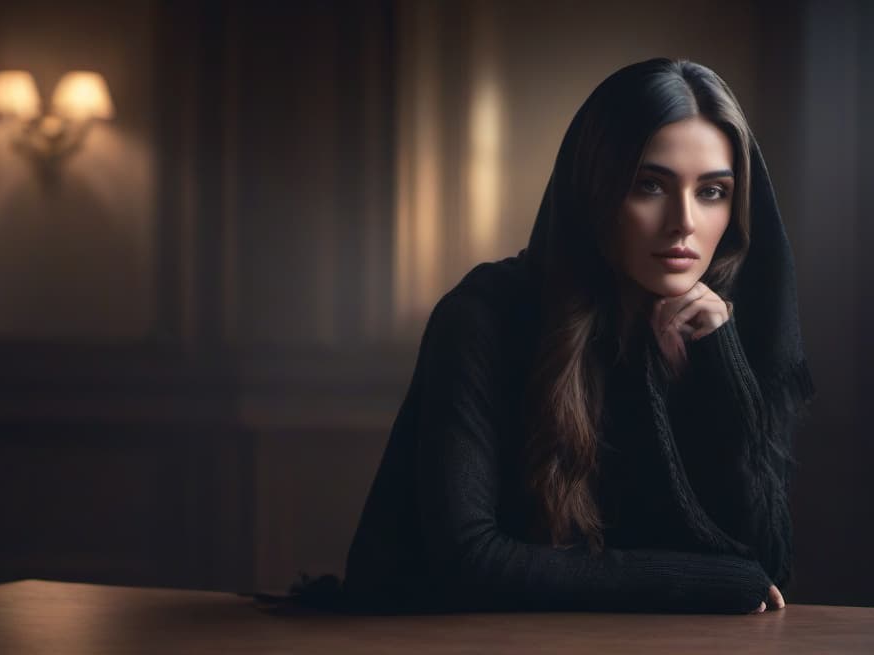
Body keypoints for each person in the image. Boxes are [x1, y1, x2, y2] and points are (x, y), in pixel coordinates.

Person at [253, 58, 816, 616]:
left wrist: (720, 369)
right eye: (649, 185)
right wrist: (695, 583)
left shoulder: (714, 332)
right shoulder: (483, 316)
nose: (684, 223)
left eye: (712, 191)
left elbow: (766, 568)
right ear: (595, 188)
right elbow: (469, 558)